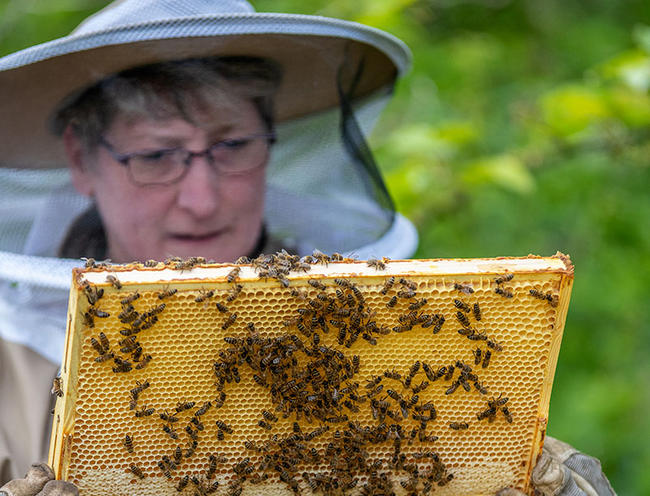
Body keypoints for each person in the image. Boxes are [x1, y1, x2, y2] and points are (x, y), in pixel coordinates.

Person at [0, 1, 615, 495]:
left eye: (233, 145)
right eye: (157, 155)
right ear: (82, 158)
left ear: (271, 142)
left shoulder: (375, 326)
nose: (202, 198)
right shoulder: (10, 366)